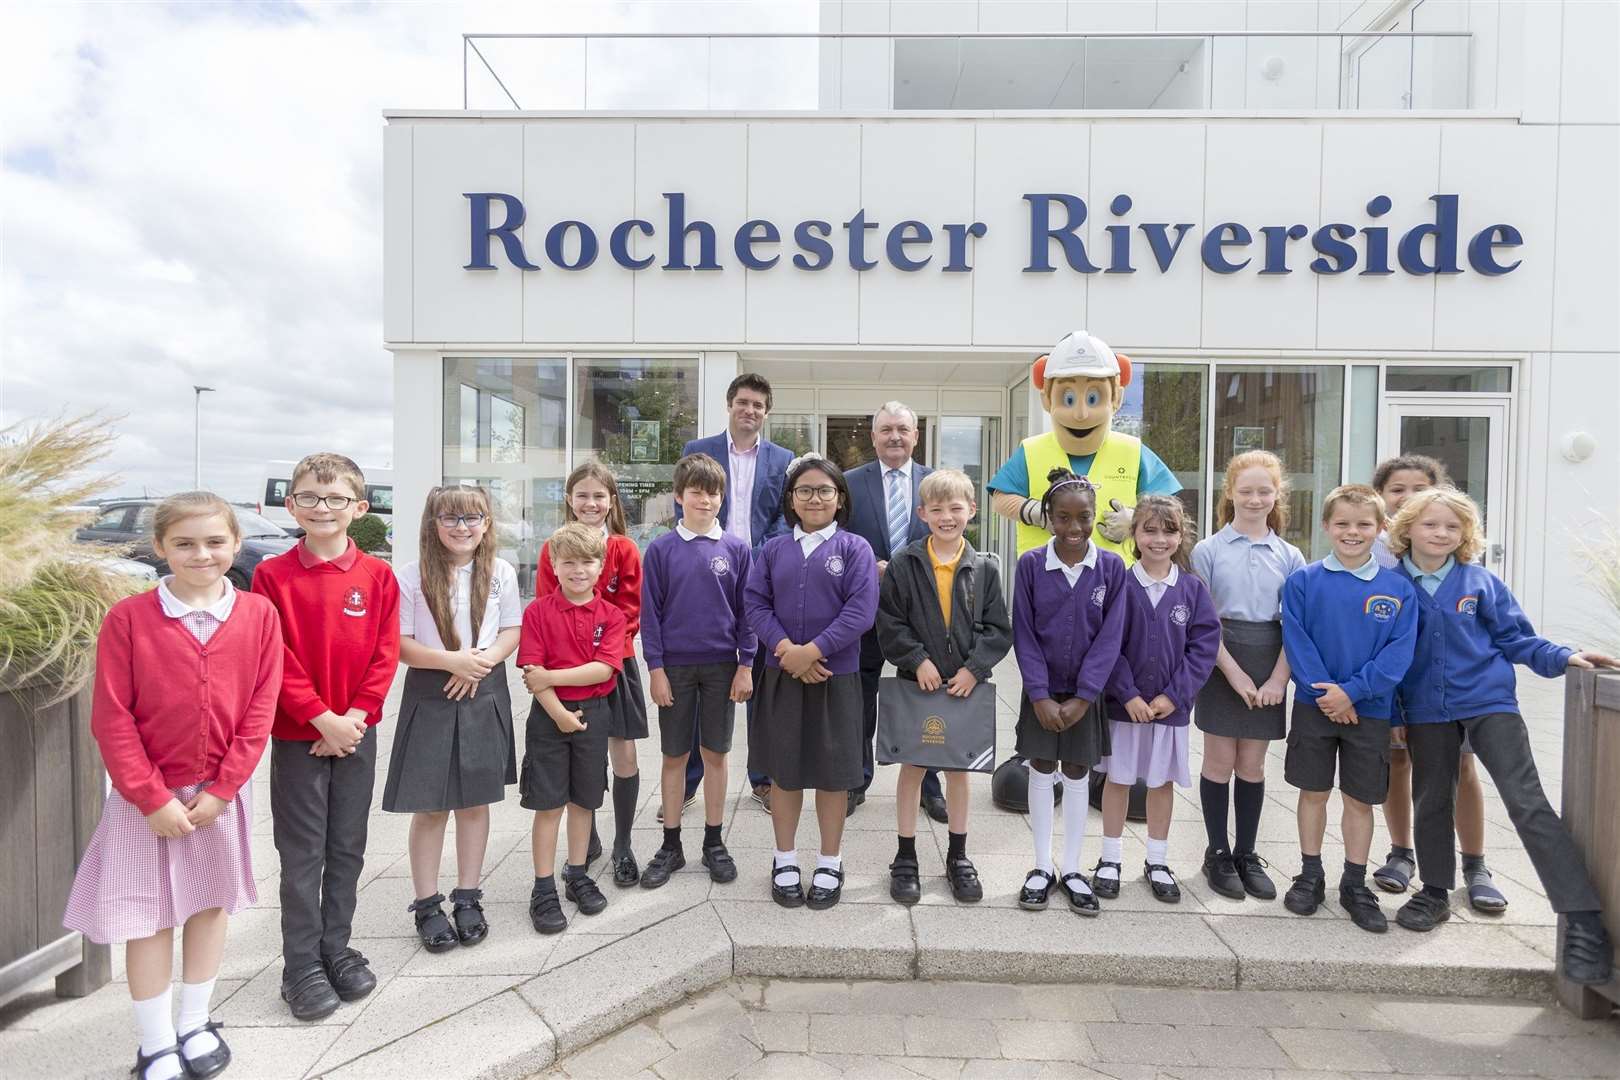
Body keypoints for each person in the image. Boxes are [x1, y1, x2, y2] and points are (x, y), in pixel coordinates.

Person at [64, 492, 281, 1080]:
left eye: (215, 542)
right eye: (184, 543)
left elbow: (261, 707)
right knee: (149, 917)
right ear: (160, 548)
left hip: (219, 796)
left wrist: (224, 789)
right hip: (146, 801)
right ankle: (155, 1040)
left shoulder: (260, 616)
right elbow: (112, 716)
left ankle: (194, 1021)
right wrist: (150, 796)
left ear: (236, 544)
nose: (201, 554)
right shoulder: (129, 619)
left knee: (209, 907)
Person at [1385, 488, 1616, 982]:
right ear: (1408, 529)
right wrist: (1392, 712)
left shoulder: (1481, 582)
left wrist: (1564, 656)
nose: (1441, 534)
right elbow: (1385, 655)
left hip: (1489, 702)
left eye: (1452, 527)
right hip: (1426, 710)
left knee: (1527, 801)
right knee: (1431, 800)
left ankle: (1582, 920)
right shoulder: (1390, 585)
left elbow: (1516, 638)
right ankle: (1434, 892)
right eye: (1431, 525)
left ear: (1466, 536)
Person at [253, 452, 399, 1021]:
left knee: (346, 847)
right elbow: (275, 657)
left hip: (357, 735)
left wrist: (354, 719)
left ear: (358, 508)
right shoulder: (271, 576)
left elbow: (385, 655)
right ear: (292, 505)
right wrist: (320, 718)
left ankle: (336, 949)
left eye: (336, 498)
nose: (323, 508)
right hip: (299, 737)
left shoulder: (377, 576)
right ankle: (301, 966)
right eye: (310, 498)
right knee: (301, 853)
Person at [1365, 456, 1506, 912]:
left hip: (1452, 692)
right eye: (1397, 489)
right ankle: (1402, 852)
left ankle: (1475, 864)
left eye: (1418, 488)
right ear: (1384, 500)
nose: (1406, 495)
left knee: (1461, 771)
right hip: (1400, 687)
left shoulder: (1456, 560)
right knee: (1398, 765)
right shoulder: (1373, 557)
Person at [383, 485, 520, 951]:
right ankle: (426, 902)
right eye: (451, 518)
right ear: (433, 523)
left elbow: (511, 629)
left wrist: (479, 663)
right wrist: (452, 663)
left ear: (486, 524)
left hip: (484, 686)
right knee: (431, 804)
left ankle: (468, 895)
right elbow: (399, 643)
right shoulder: (410, 575)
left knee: (474, 802)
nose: (462, 527)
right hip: (432, 688)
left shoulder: (500, 571)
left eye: (472, 518)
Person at [1279, 484, 1418, 934]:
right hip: (1313, 706)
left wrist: (1352, 693)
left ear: (1380, 529)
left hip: (1370, 711)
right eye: (1342, 523)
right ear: (1326, 526)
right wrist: (1328, 695)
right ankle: (1310, 873)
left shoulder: (1397, 589)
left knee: (1360, 799)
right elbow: (1298, 644)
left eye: (1363, 524)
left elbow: (1398, 654)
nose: (1352, 532)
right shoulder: (1303, 582)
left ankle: (1355, 882)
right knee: (1313, 792)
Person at [744, 453, 878, 910]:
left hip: (835, 679)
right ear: (791, 499)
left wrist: (813, 652)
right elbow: (755, 604)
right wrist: (787, 652)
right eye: (805, 490)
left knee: (832, 777)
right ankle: (784, 859)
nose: (815, 498)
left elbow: (860, 612)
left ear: (840, 498)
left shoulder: (855, 549)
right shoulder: (773, 550)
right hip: (781, 677)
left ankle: (829, 860)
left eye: (824, 490)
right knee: (784, 774)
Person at [875, 468, 1013, 904]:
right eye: (937, 509)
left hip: (964, 687)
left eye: (956, 508)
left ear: (972, 511)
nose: (947, 516)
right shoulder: (904, 564)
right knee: (912, 767)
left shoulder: (986, 568)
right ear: (922, 513)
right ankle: (905, 856)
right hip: (918, 683)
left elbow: (998, 629)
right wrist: (917, 660)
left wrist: (974, 669)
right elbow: (890, 623)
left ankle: (958, 855)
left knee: (959, 770)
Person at [1189, 451, 1306, 902]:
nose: (1255, 499)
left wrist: (1279, 680)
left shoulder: (1290, 555)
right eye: (1246, 491)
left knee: (1253, 766)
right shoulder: (1209, 551)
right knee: (1219, 762)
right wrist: (1234, 674)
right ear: (1229, 493)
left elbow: (1296, 626)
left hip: (1270, 658)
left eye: (1264, 491)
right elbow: (1203, 622)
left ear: (1277, 496)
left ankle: (1246, 852)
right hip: (1221, 660)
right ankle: (1217, 851)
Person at [1012, 469, 1127, 916]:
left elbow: (1111, 636)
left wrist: (1085, 695)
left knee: (1079, 771)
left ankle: (1074, 868)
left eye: (1083, 518)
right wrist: (1039, 695)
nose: (1074, 528)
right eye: (1063, 518)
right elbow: (1024, 632)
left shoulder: (1112, 568)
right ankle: (1041, 867)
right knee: (1042, 767)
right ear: (1048, 518)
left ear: (1095, 515)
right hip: (1041, 692)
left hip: (1087, 696)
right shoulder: (1030, 566)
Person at [1095, 496, 1220, 904]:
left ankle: (1157, 859)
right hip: (1123, 708)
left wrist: (1173, 695)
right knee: (1118, 780)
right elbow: (1106, 645)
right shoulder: (1118, 585)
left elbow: (1203, 647)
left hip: (1170, 710)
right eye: (1149, 529)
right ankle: (1110, 859)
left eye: (1169, 530)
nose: (1159, 539)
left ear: (1181, 535)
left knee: (1161, 782)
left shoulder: (1192, 588)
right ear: (1134, 534)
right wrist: (1127, 693)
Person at [640, 453, 756, 888]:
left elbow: (748, 612)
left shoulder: (737, 549)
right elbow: (649, 615)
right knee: (674, 756)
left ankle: (713, 842)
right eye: (696, 492)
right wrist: (656, 668)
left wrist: (745, 665)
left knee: (716, 755)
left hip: (723, 667)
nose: (705, 500)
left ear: (721, 498)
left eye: (713, 493)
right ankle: (671, 843)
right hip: (676, 667)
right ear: (678, 496)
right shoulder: (661, 550)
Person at [680, 373, 794, 814]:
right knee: (701, 672)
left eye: (758, 405)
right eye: (743, 402)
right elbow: (686, 504)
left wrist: (760, 555)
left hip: (762, 574)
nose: (750, 410)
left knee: (760, 681)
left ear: (767, 412)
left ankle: (761, 780)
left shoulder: (782, 458)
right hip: (709, 571)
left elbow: (786, 515)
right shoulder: (699, 451)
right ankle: (689, 779)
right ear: (729, 405)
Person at [536, 462, 645, 886]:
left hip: (615, 663)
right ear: (569, 499)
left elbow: (630, 610)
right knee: (583, 753)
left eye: (599, 496)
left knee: (625, 755)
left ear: (611, 502)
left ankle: (623, 844)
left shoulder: (623, 549)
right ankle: (589, 838)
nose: (590, 503)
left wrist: (603, 656)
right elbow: (548, 608)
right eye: (582, 494)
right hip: (567, 670)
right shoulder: (554, 549)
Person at [518, 523, 626, 934]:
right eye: (568, 562)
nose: (578, 570)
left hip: (595, 713)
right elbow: (532, 671)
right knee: (549, 804)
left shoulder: (611, 616)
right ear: (554, 565)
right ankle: (543, 886)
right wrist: (558, 710)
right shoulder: (538, 612)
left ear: (600, 568)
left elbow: (603, 668)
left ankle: (577, 873)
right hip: (548, 717)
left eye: (586, 562)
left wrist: (551, 679)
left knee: (585, 801)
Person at [988, 331, 1181, 560]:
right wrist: (1036, 512)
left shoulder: (1132, 451)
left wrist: (1135, 520)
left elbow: (1170, 508)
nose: (1081, 414)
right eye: (1068, 399)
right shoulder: (1032, 451)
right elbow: (1000, 499)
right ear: (1047, 399)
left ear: (1116, 398)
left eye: (1093, 398)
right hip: (1045, 579)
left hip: (1115, 583)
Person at [844, 401, 947, 822]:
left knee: (924, 695)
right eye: (885, 429)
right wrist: (870, 564)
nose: (894, 437)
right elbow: (840, 537)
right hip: (864, 608)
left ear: (916, 435)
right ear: (873, 437)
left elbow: (948, 537)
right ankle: (856, 779)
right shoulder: (849, 483)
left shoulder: (935, 483)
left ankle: (929, 782)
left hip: (920, 611)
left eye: (903, 429)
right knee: (859, 696)